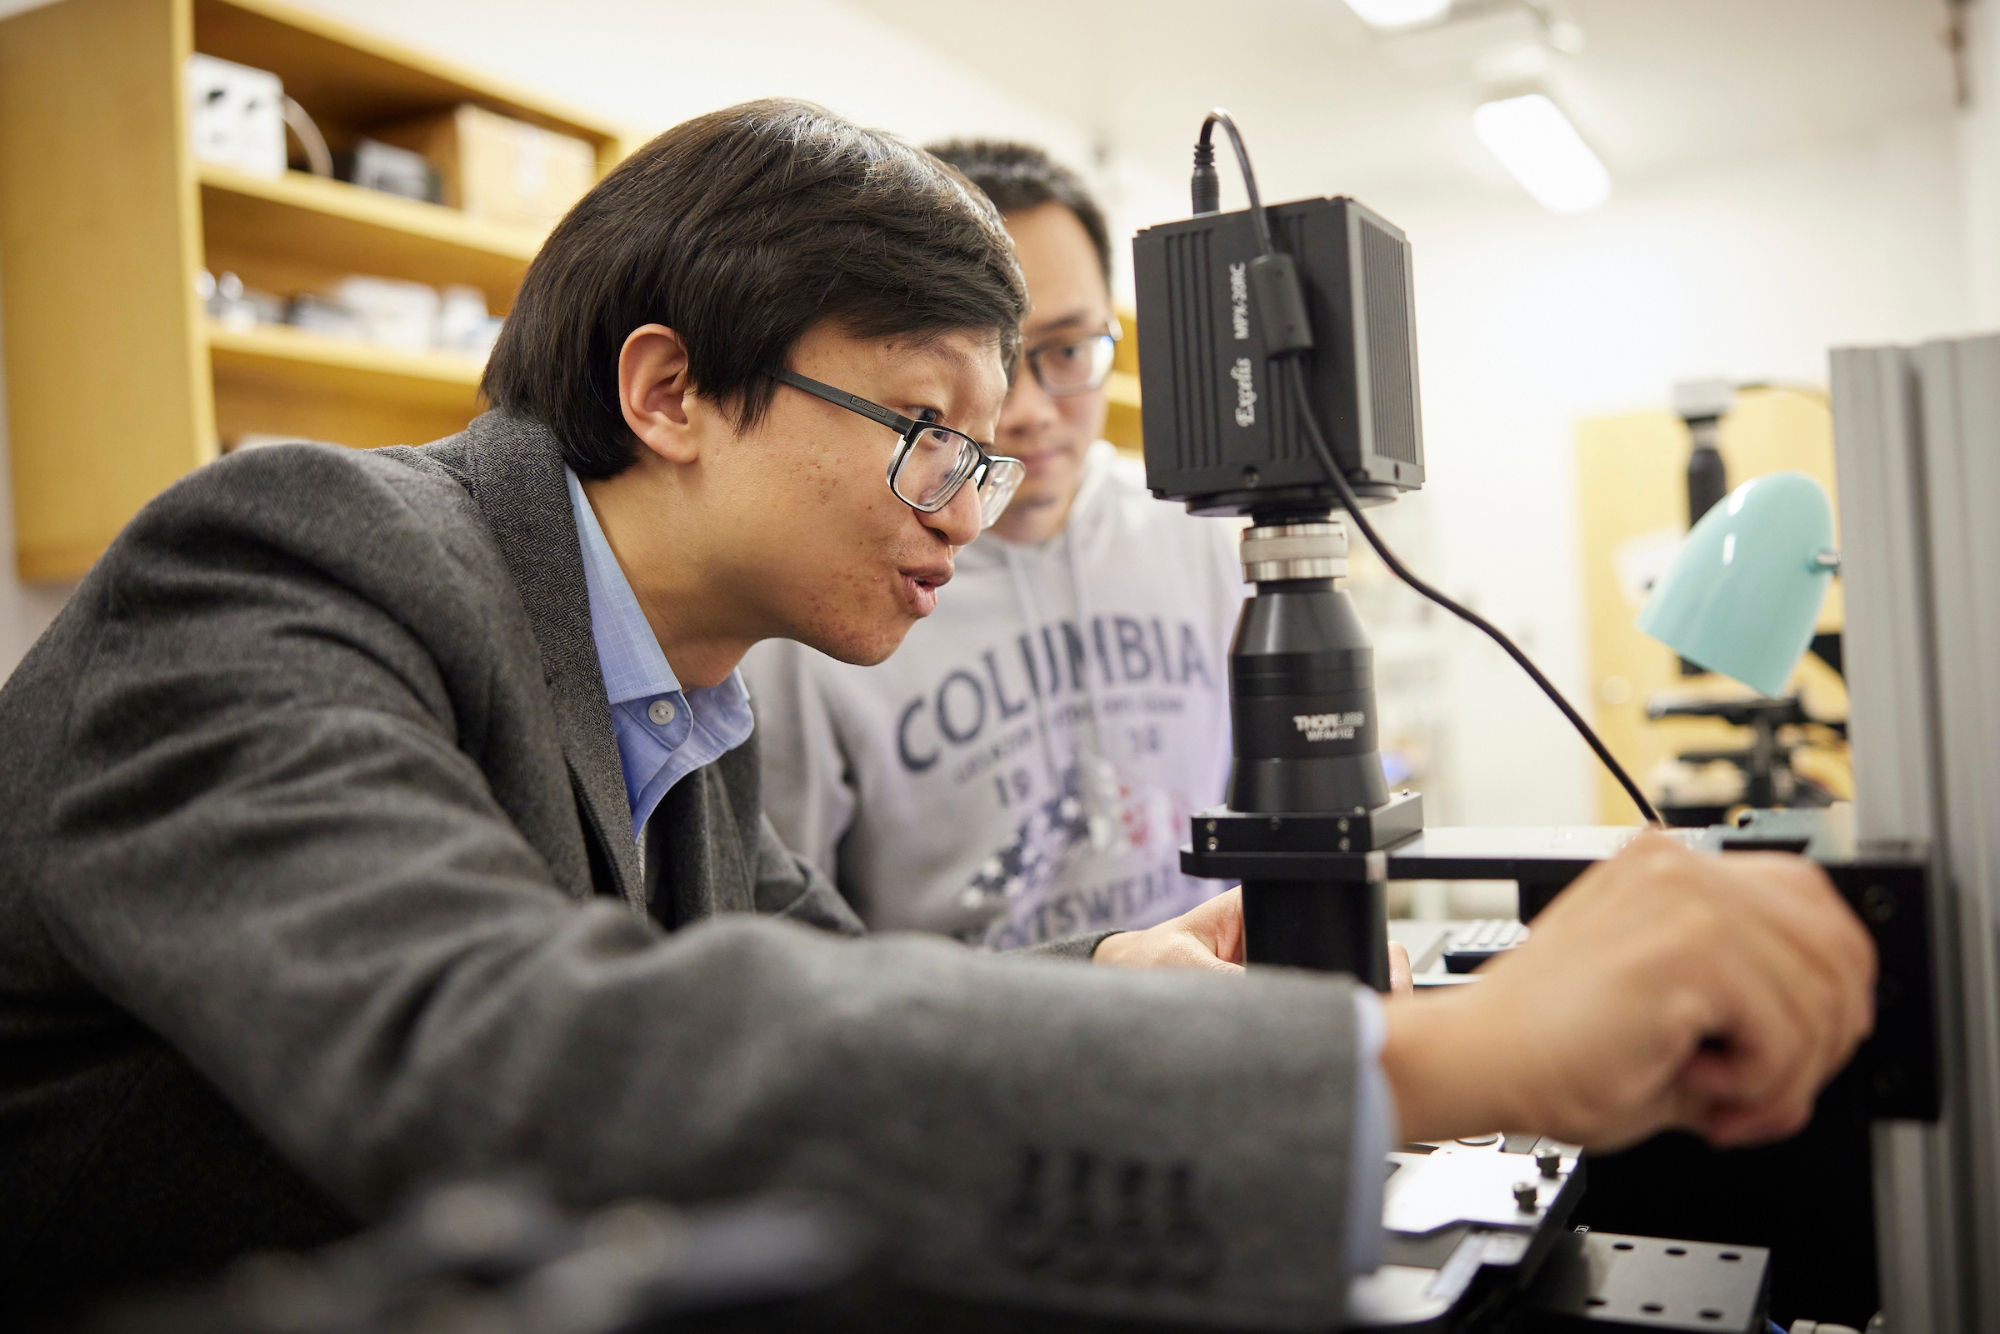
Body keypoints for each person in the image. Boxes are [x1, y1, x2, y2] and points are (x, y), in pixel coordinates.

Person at [0, 100, 1875, 1330]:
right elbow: (514, 1047)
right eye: (928, 438)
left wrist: (1133, 983)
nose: (970, 511)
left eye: (992, 452)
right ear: (669, 389)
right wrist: (1436, 1072)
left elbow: (831, 989)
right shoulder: (289, 558)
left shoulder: (686, 712)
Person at [746, 141, 1241, 948]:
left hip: (1209, 1040)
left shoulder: (1201, 535)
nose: (1033, 409)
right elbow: (792, 952)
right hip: (968, 1063)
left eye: (1071, 350)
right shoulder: (821, 606)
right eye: (997, 360)